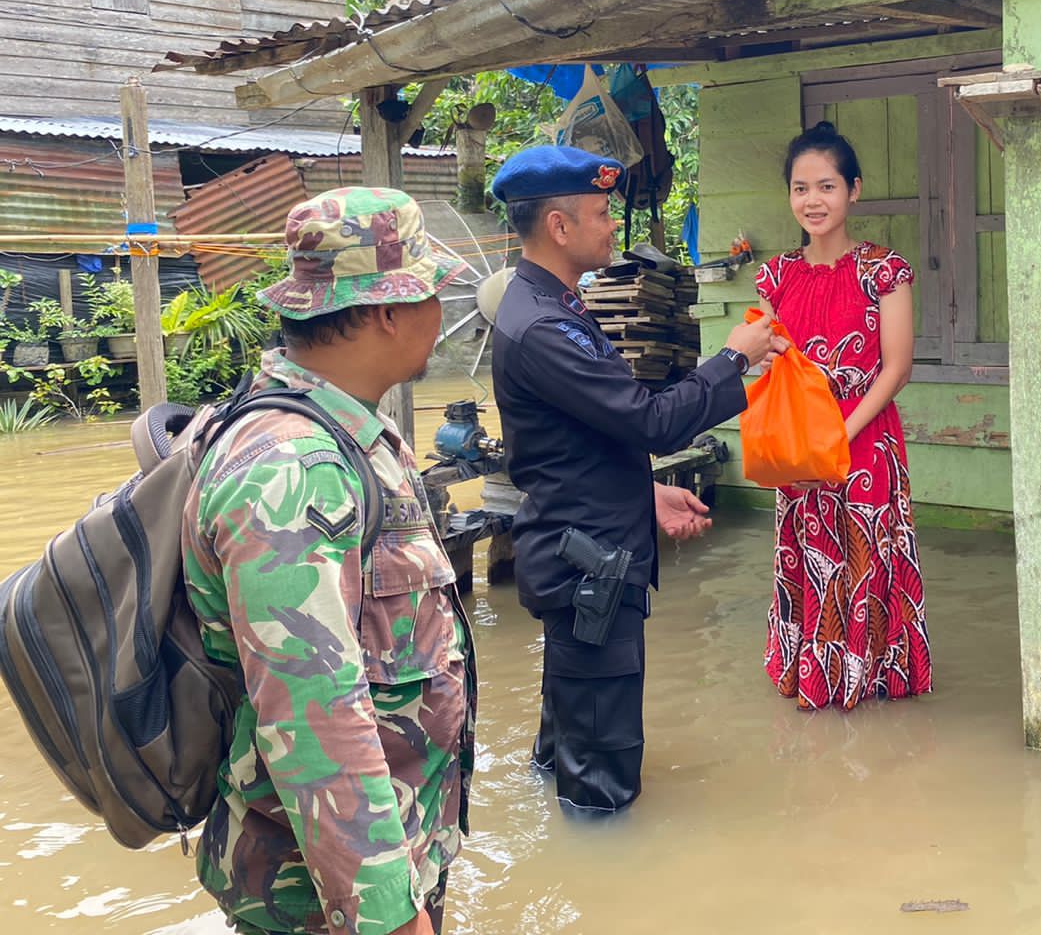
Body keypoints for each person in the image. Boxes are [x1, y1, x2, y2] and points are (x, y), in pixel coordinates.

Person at [182, 187, 474, 935]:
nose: (439, 314)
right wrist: (386, 915)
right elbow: (313, 715)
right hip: (317, 898)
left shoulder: (342, 432)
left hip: (374, 864)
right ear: (388, 309)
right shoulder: (292, 466)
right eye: (432, 292)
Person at [489, 144, 780, 814]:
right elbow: (650, 422)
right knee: (601, 785)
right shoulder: (544, 327)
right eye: (600, 213)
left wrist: (643, 493)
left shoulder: (551, 304)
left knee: (570, 743)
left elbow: (579, 438)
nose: (612, 226)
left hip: (584, 551)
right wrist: (734, 358)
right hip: (588, 569)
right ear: (559, 226)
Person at [755, 121, 932, 710]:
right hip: (799, 449)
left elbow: (896, 369)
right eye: (801, 188)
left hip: (864, 445)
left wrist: (837, 437)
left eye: (826, 186)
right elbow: (768, 365)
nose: (813, 200)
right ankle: (813, 672)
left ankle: (871, 678)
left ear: (853, 191)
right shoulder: (775, 278)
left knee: (864, 560)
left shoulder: (884, 270)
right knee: (807, 559)